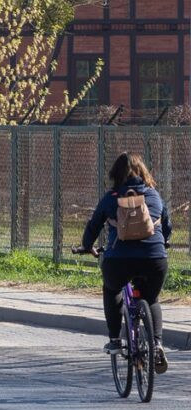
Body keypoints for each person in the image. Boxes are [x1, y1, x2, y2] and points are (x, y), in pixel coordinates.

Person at [76, 153, 171, 374]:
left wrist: (87, 246)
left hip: (119, 260)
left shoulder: (111, 198)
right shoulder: (154, 196)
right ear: (143, 172)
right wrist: (164, 242)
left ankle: (115, 340)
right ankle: (156, 343)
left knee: (112, 289)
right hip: (154, 259)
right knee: (152, 299)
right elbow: (166, 225)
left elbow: (93, 226)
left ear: (115, 174)